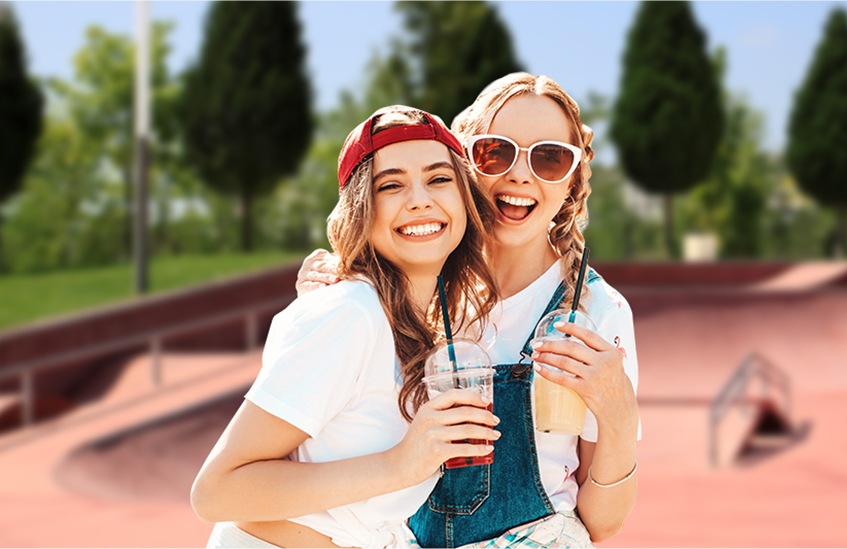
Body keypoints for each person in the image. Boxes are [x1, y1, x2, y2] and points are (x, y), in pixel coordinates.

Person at [296, 73, 640, 548]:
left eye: (550, 158)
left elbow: (603, 524)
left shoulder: (596, 312)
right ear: (463, 165)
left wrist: (620, 413)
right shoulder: (408, 283)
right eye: (495, 152)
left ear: (571, 183)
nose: (521, 175)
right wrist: (325, 297)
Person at [191, 105, 503, 549]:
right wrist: (401, 464)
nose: (419, 199)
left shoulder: (422, 325)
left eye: (439, 179)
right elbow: (216, 491)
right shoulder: (351, 313)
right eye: (390, 185)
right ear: (361, 209)